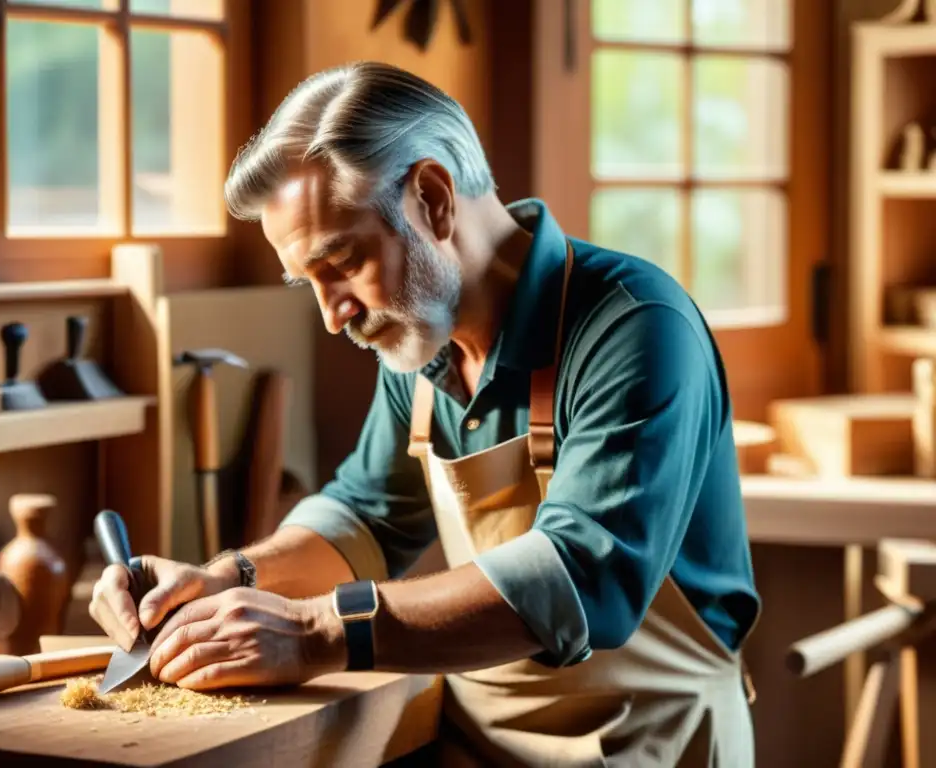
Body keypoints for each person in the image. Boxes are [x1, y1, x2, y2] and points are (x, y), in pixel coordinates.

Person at [90, 61, 761, 767]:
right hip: (478, 743)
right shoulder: (422, 346)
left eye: (342, 262)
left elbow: (582, 579)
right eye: (309, 283)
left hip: (654, 742)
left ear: (433, 200)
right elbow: (367, 516)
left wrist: (320, 631)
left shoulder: (634, 327)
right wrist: (228, 577)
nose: (331, 315)